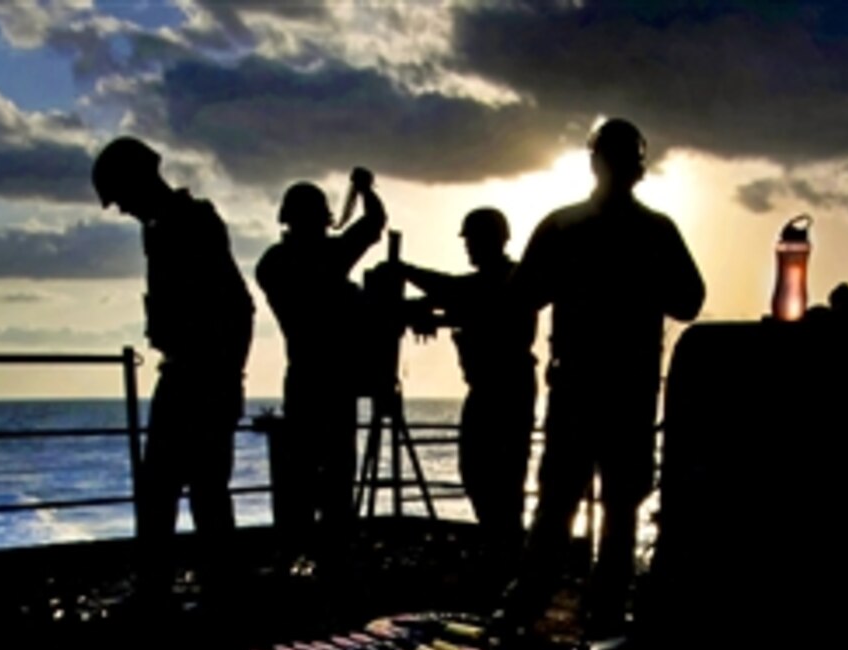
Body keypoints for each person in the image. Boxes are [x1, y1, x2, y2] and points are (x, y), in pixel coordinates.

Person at [497, 118, 706, 637]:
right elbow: (689, 300)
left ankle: (543, 601)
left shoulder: (570, 226)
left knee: (579, 503)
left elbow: (521, 295)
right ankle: (590, 606)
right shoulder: (647, 230)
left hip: (597, 388)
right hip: (617, 389)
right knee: (601, 505)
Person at [91, 136, 254, 613]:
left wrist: (226, 378)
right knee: (168, 490)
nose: (121, 209)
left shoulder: (193, 223)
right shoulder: (159, 229)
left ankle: (209, 596)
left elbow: (239, 309)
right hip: (187, 372)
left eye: (122, 196)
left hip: (201, 378)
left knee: (196, 492)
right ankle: (169, 592)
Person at [255, 168, 387, 581]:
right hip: (334, 379)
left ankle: (299, 551)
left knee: (302, 472)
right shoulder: (329, 257)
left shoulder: (273, 264)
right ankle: (332, 554)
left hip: (305, 377)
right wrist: (365, 191)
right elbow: (374, 222)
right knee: (336, 471)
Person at [394, 208, 538, 581]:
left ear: (492, 240)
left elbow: (461, 292)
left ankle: (506, 564)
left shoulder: (512, 280)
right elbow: (459, 296)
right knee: (480, 475)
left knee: (500, 481)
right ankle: (502, 558)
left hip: (504, 392)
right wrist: (424, 308)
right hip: (492, 390)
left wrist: (404, 271)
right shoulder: (488, 285)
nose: (469, 248)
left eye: (473, 240)